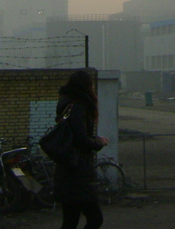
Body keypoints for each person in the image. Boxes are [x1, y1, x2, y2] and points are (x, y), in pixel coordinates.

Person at [54, 70, 109, 229]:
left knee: (70, 221)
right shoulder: (79, 107)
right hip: (77, 173)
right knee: (95, 219)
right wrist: (98, 142)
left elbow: (75, 135)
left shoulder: (66, 103)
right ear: (86, 86)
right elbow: (81, 140)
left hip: (67, 170)